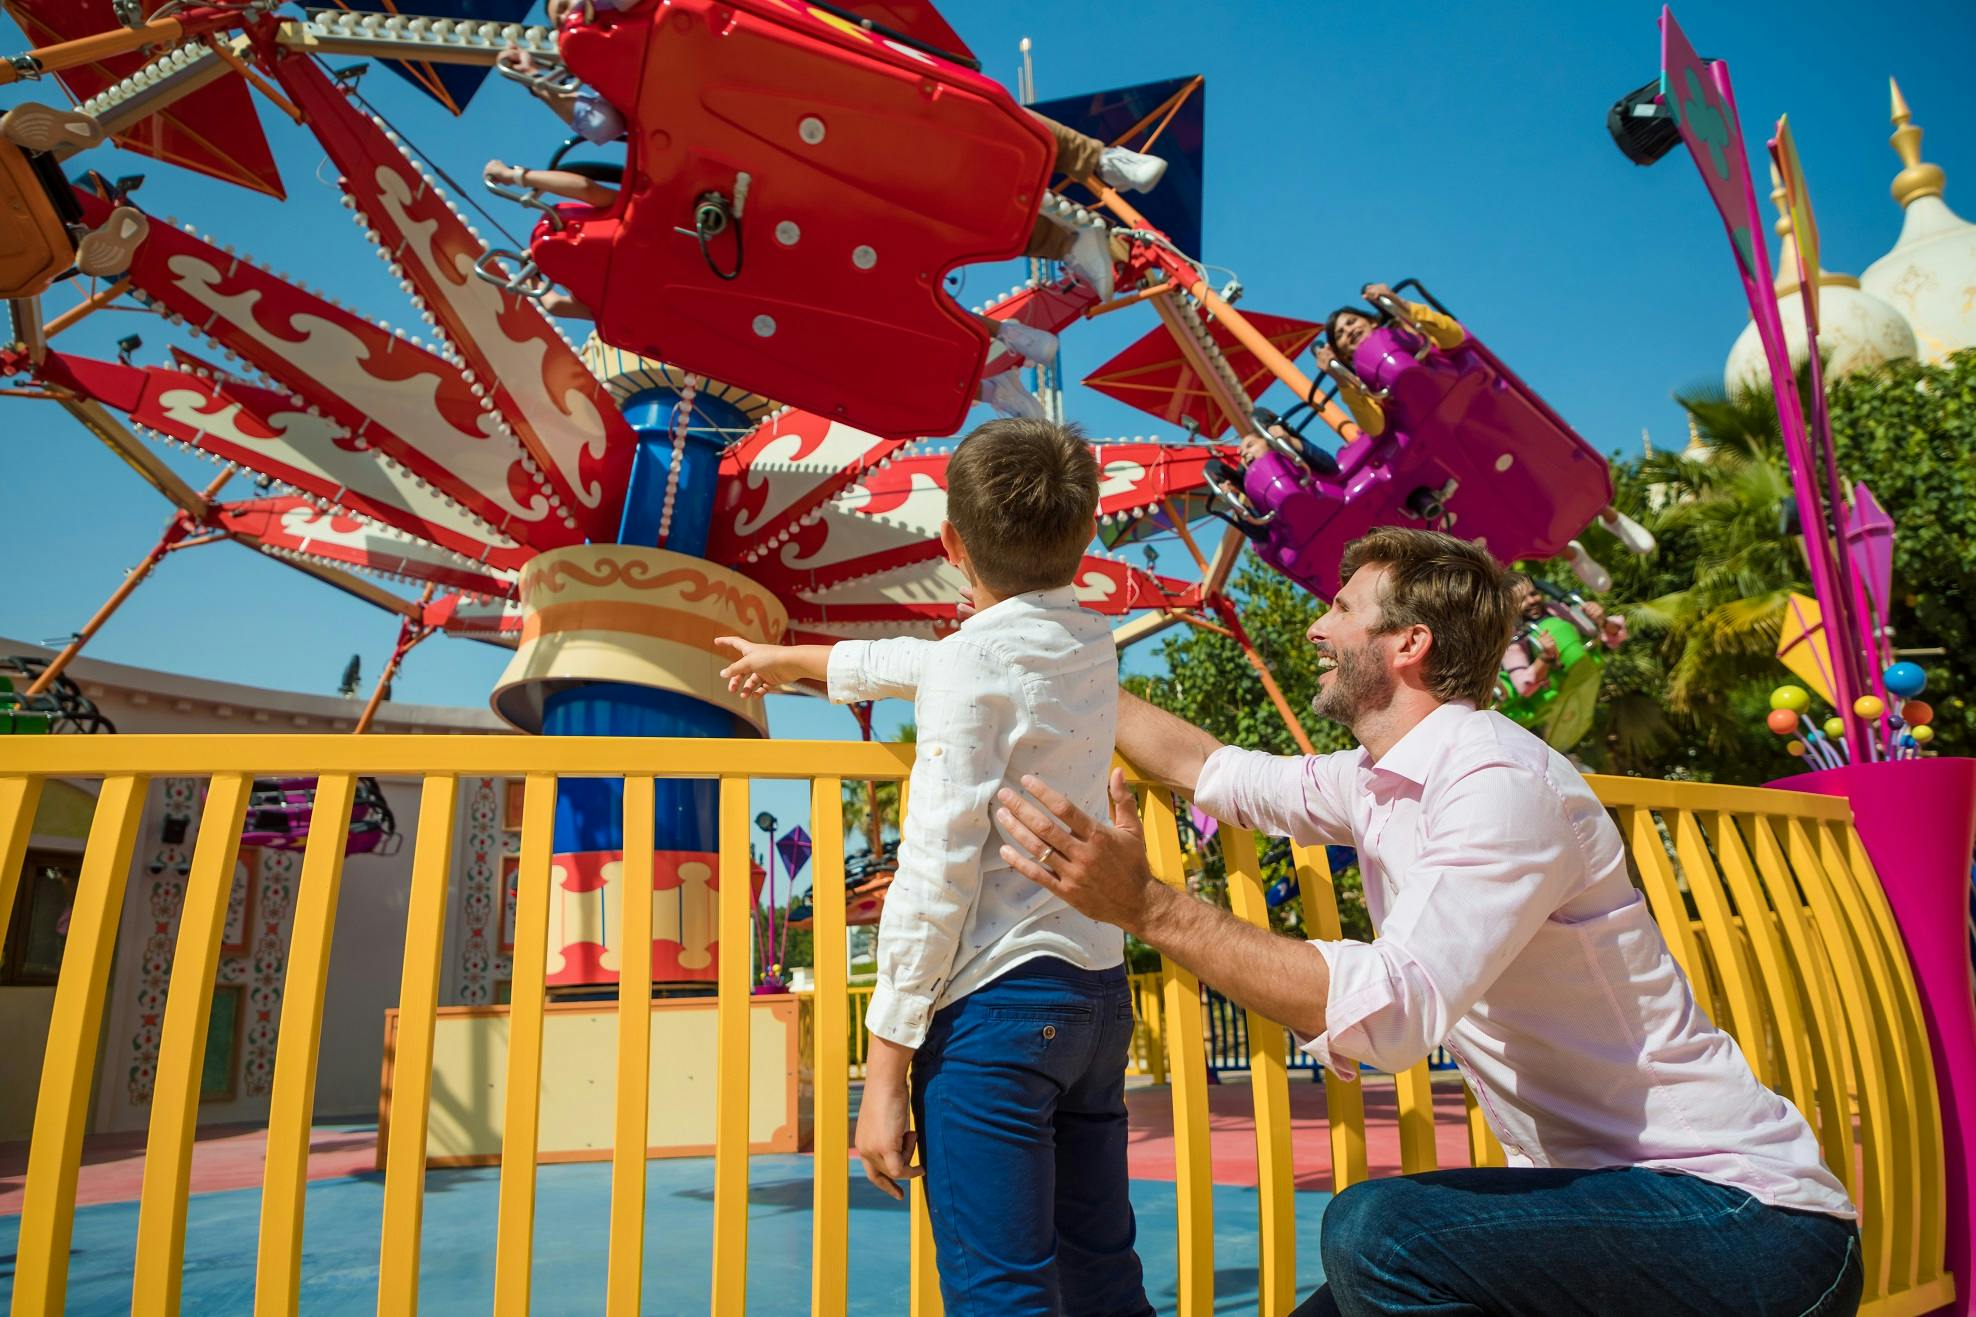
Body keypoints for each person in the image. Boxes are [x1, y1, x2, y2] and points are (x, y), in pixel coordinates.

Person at [989, 526, 1862, 1316]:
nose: (1315, 629)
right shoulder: (1375, 778)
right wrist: (1054, 658)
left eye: (1339, 608)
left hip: (1745, 1222)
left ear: (1409, 643)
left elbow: (1395, 1015)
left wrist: (1144, 905)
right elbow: (1211, 767)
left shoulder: (1498, 781)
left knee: (1380, 1233)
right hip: (1612, 1200)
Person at [712, 418, 1152, 1316]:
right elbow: (942, 660)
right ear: (1088, 534)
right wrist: (797, 659)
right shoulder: (1091, 645)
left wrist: (881, 1077)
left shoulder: (971, 664)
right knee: (1103, 1277)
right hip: (1095, 1000)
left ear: (950, 543)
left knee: (1004, 1294)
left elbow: (934, 876)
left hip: (996, 1008)